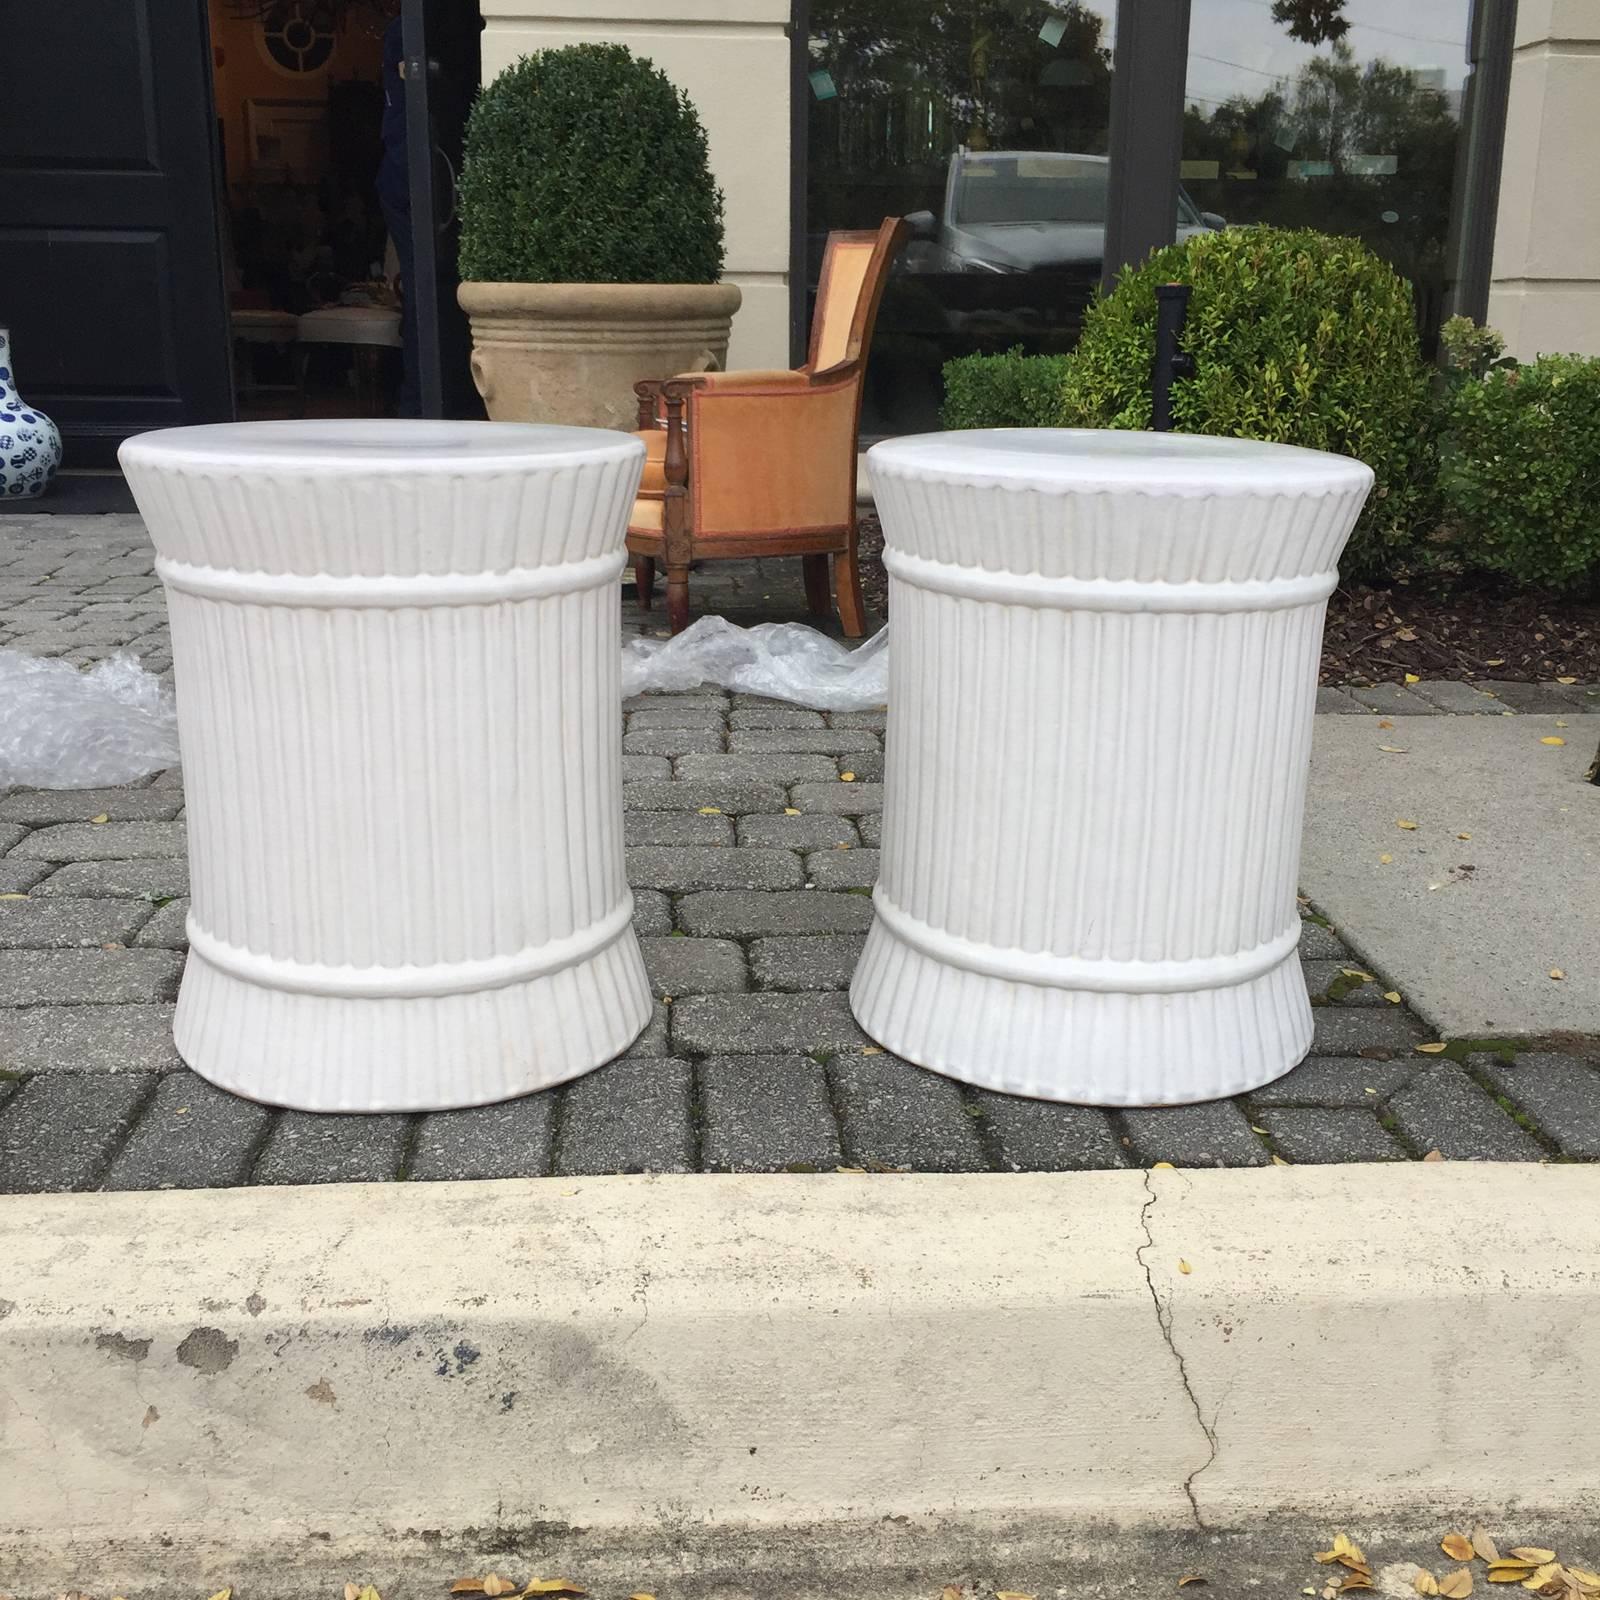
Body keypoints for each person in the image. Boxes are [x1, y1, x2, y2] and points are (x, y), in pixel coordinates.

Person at [378, 8, 421, 416]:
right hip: (409, 179)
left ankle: (416, 404)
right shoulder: (406, 31)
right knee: (424, 302)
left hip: (406, 175)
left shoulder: (402, 30)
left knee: (422, 302)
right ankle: (416, 405)